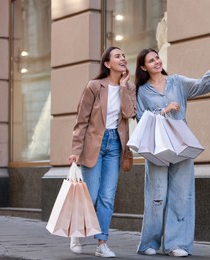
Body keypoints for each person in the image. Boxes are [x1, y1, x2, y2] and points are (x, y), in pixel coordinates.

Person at [134, 48, 210, 257]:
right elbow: (141, 118)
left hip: (181, 144)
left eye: (157, 58)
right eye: (151, 61)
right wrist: (164, 110)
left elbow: (199, 86)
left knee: (181, 194)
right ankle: (150, 242)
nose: (157, 62)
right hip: (156, 147)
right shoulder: (142, 91)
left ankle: (176, 244)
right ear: (143, 67)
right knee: (156, 194)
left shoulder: (176, 81)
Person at [68, 46, 136, 258]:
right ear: (107, 64)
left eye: (124, 55)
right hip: (93, 144)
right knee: (92, 195)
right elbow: (82, 121)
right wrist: (75, 151)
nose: (123, 58)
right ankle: (77, 233)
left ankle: (101, 243)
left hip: (115, 145)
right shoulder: (94, 86)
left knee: (107, 197)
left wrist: (124, 87)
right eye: (117, 56)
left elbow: (130, 113)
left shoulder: (129, 87)